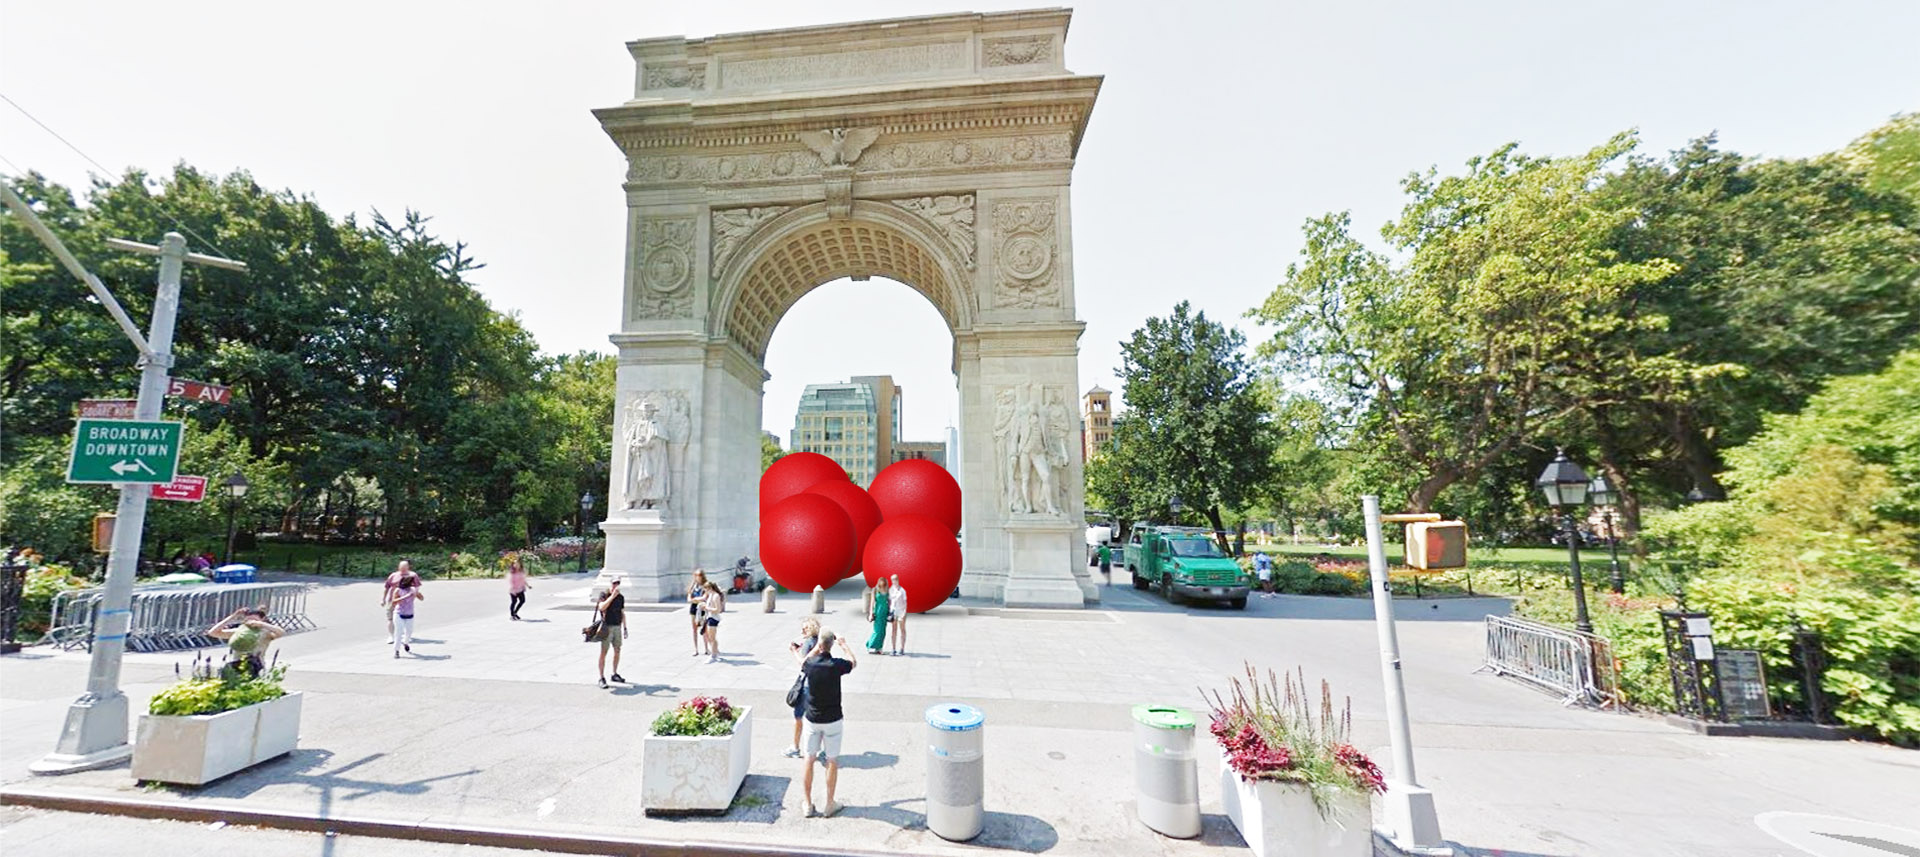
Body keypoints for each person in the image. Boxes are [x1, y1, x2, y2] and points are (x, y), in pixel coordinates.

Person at [797, 629, 857, 818]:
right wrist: (844, 644)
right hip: (833, 718)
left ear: (819, 645)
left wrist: (815, 648)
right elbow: (853, 662)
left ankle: (807, 803)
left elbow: (803, 661)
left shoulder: (811, 664)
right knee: (832, 760)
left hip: (812, 718)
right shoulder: (836, 665)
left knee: (809, 758)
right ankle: (830, 803)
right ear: (831, 645)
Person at [207, 605, 284, 678]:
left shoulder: (265, 633)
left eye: (255, 620)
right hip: (237, 664)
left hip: (257, 665)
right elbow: (213, 632)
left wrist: (261, 624)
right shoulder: (239, 631)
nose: (251, 622)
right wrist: (233, 617)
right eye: (248, 620)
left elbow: (280, 632)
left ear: (262, 620)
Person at [783, 616, 821, 759]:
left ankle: (795, 747)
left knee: (799, 716)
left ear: (811, 629)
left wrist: (794, 651)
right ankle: (818, 750)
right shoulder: (819, 641)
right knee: (817, 718)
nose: (802, 630)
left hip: (806, 684)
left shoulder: (808, 643)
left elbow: (803, 663)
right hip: (818, 684)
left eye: (805, 628)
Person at [596, 577, 627, 687]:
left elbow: (622, 612)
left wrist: (625, 627)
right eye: (614, 583)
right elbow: (601, 607)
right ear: (610, 583)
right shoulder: (604, 594)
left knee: (617, 650)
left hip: (617, 626)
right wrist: (612, 597)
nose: (616, 585)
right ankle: (601, 677)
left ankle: (614, 673)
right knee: (604, 652)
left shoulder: (621, 597)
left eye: (618, 583)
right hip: (607, 627)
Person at [388, 571, 425, 659]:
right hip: (399, 613)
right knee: (399, 632)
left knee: (409, 632)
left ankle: (406, 643)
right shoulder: (398, 590)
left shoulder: (412, 589)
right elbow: (394, 602)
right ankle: (396, 651)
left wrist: (417, 593)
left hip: (410, 613)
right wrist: (405, 596)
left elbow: (422, 598)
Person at [383, 560, 420, 643]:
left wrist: (413, 596)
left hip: (406, 602)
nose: (402, 570)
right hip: (392, 600)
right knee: (390, 618)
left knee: (405, 619)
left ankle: (405, 635)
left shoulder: (413, 575)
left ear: (408, 567)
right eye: (401, 568)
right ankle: (391, 636)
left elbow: (417, 587)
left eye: (404, 568)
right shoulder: (393, 575)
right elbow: (387, 587)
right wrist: (383, 599)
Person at [700, 581, 726, 662]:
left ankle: (713, 655)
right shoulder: (711, 595)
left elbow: (718, 609)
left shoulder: (715, 596)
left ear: (709, 588)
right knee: (710, 637)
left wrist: (706, 608)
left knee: (712, 637)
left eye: (705, 589)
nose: (705, 591)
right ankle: (715, 652)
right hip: (709, 617)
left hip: (713, 618)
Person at [685, 569, 709, 656]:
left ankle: (706, 648)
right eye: (695, 576)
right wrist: (694, 600)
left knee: (704, 629)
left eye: (699, 575)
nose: (697, 577)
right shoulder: (693, 586)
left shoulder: (705, 586)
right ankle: (696, 649)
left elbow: (704, 597)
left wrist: (694, 600)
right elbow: (688, 599)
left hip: (702, 608)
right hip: (693, 608)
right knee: (694, 629)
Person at [887, 574, 908, 656]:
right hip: (893, 612)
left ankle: (902, 648)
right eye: (892, 580)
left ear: (898, 580)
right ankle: (893, 648)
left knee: (902, 629)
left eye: (895, 579)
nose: (894, 581)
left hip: (901, 612)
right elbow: (889, 601)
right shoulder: (890, 590)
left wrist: (904, 613)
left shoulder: (902, 590)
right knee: (893, 630)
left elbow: (905, 603)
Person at [865, 581, 889, 654]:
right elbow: (872, 602)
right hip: (878, 612)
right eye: (881, 586)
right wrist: (871, 613)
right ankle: (870, 645)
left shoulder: (887, 590)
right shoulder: (875, 590)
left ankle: (879, 647)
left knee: (883, 631)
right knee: (877, 630)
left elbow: (890, 601)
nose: (882, 587)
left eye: (884, 585)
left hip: (885, 612)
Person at [506, 556, 529, 620]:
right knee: (514, 602)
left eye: (518, 564)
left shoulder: (521, 572)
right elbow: (511, 582)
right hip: (513, 590)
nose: (517, 565)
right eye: (515, 564)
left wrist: (528, 585)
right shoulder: (512, 573)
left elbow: (523, 580)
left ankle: (515, 612)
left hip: (520, 589)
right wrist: (514, 590)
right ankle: (512, 615)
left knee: (522, 601)